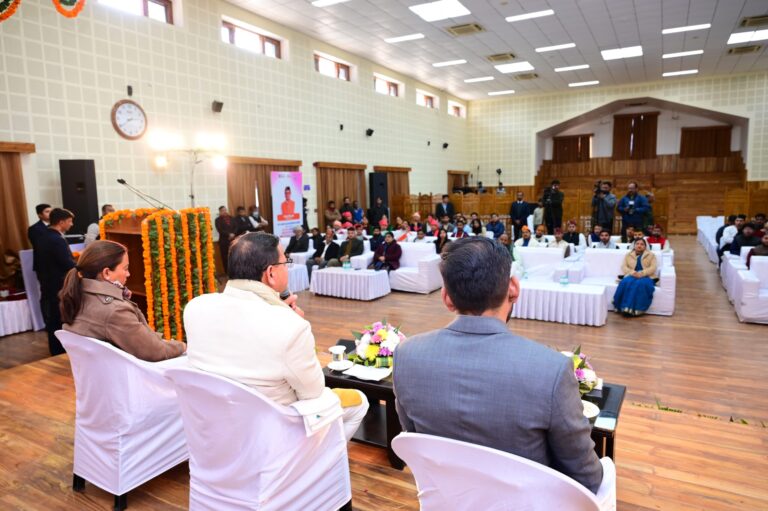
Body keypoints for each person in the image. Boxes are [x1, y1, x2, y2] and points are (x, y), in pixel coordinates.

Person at [393, 236, 605, 494]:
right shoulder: (551, 369)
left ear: (447, 297)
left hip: (446, 498)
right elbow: (588, 477)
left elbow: (414, 439)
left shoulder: (406, 354)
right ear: (513, 288)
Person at [185, 232, 368, 441]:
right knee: (359, 401)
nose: (287, 267)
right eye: (285, 262)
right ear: (271, 273)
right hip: (274, 434)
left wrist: (281, 310)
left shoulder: (195, 307)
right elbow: (313, 393)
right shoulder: (289, 325)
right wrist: (292, 321)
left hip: (216, 430)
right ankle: (321, 456)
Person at [60, 240, 186, 361]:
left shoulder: (77, 295)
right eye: (125, 269)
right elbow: (155, 352)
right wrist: (183, 346)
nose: (128, 274)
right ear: (107, 273)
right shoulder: (116, 310)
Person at [36, 208, 76, 355]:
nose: (71, 224)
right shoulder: (57, 240)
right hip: (59, 285)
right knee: (59, 318)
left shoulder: (42, 236)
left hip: (47, 283)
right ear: (61, 222)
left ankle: (56, 350)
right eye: (69, 221)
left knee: (53, 319)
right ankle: (61, 350)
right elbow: (67, 264)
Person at [613, 239, 658, 317]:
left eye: (642, 244)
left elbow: (653, 268)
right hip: (632, 275)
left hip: (646, 276)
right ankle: (623, 307)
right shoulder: (628, 255)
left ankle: (635, 309)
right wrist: (632, 272)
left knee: (639, 284)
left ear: (645, 246)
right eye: (637, 244)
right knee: (625, 282)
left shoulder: (651, 255)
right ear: (634, 245)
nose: (639, 245)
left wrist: (642, 273)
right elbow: (624, 266)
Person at [28, 203, 52, 274]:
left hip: (56, 263)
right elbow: (38, 246)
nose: (51, 213)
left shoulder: (56, 225)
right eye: (47, 212)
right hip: (43, 263)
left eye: (51, 211)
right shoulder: (34, 228)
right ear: (39, 215)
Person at [215, 206, 234, 273]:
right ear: (220, 212)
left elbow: (236, 227)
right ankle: (227, 272)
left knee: (234, 256)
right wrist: (229, 234)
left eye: (225, 210)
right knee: (225, 257)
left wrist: (233, 234)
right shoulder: (217, 220)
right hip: (224, 241)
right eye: (223, 210)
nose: (225, 211)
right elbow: (220, 230)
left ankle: (235, 271)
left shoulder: (231, 218)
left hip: (233, 240)